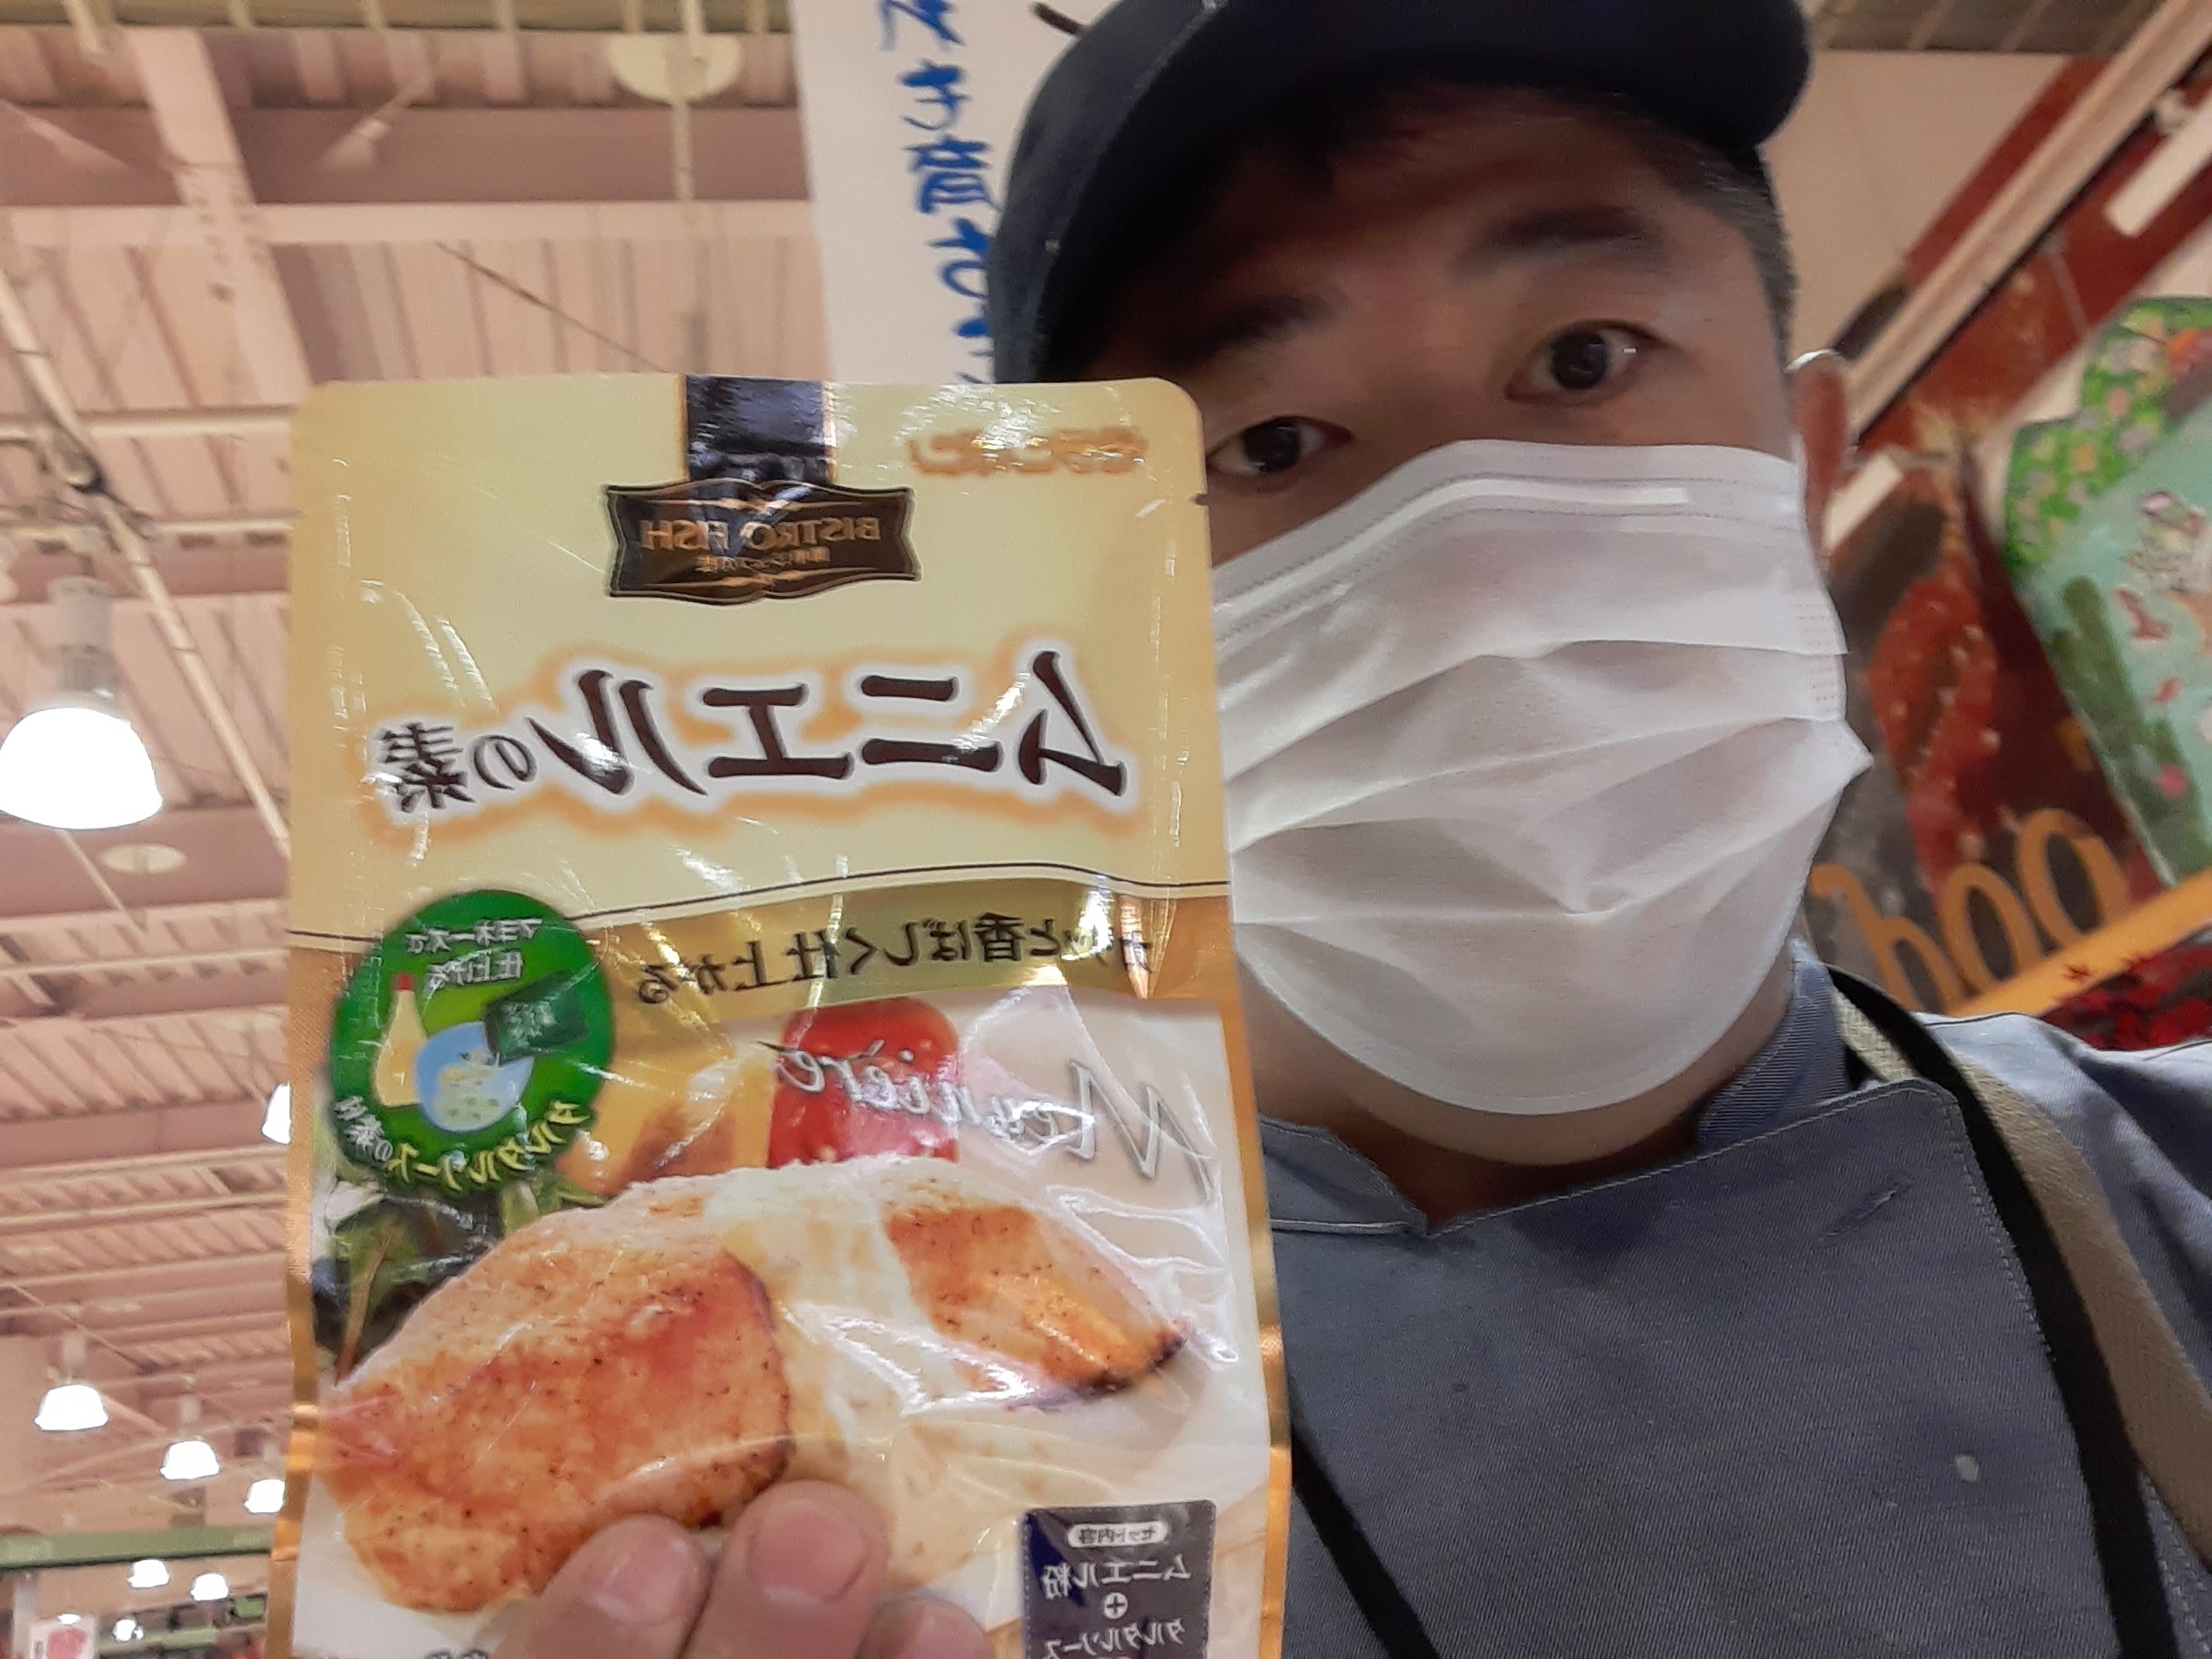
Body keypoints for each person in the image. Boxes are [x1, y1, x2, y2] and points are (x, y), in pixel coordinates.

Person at [494, 3, 2212, 1657]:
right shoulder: (884, 1426)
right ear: (1101, 614)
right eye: (1274, 441)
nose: (1482, 581)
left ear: (1802, 455)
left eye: (1585, 359)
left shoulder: (2172, 1202)